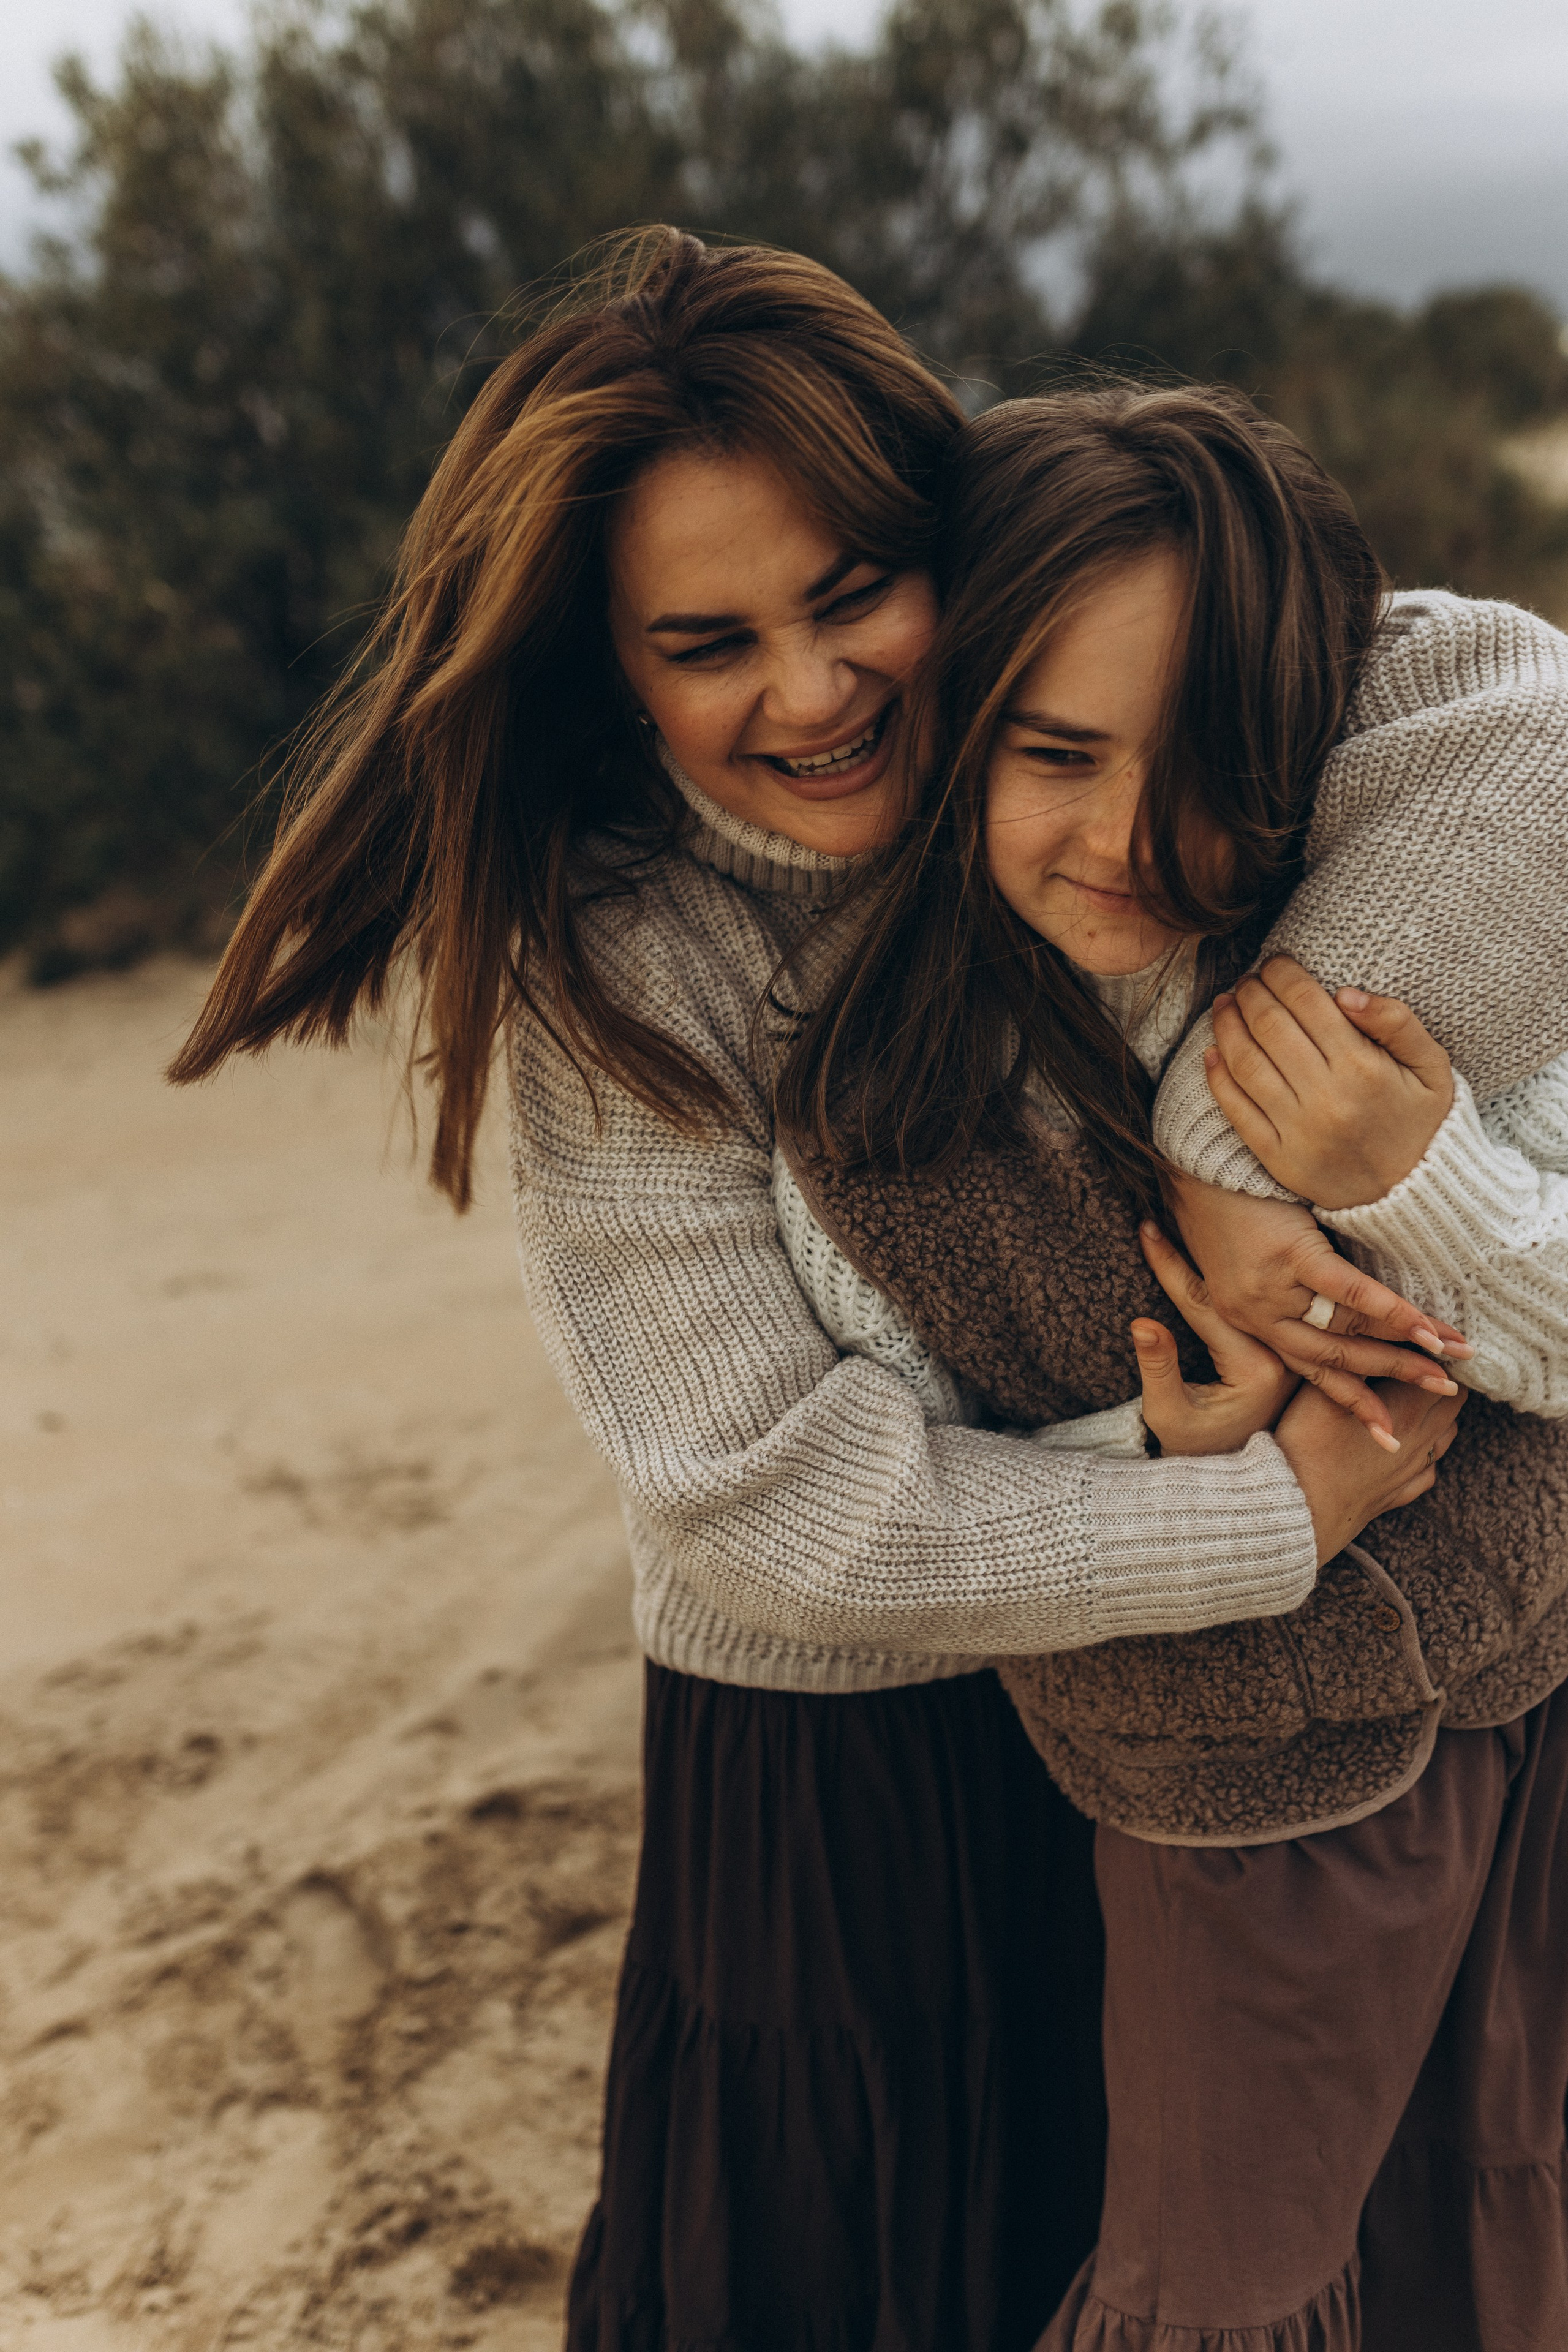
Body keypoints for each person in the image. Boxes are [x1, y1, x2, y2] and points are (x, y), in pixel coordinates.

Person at [167, 236, 1457, 2350]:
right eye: (709, 641)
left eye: (854, 589)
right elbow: (760, 1504)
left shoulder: (1086, 761)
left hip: (1157, 1740)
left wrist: (1239, 1169)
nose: (811, 688)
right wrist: (1253, 1512)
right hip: (859, 1789)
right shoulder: (629, 965)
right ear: (615, 667)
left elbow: (1496, 692)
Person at [773, 381, 1568, 2348]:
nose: (1132, 838)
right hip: (1224, 1815)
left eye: (1214, 766)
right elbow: (913, 1472)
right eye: (1055, 753)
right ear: (952, 724)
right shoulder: (881, 1105)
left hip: (1525, 1702)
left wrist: (1421, 1180)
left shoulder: (1419, 971)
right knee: (1230, 2285)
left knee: (1488, 2219)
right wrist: (1172, 1457)